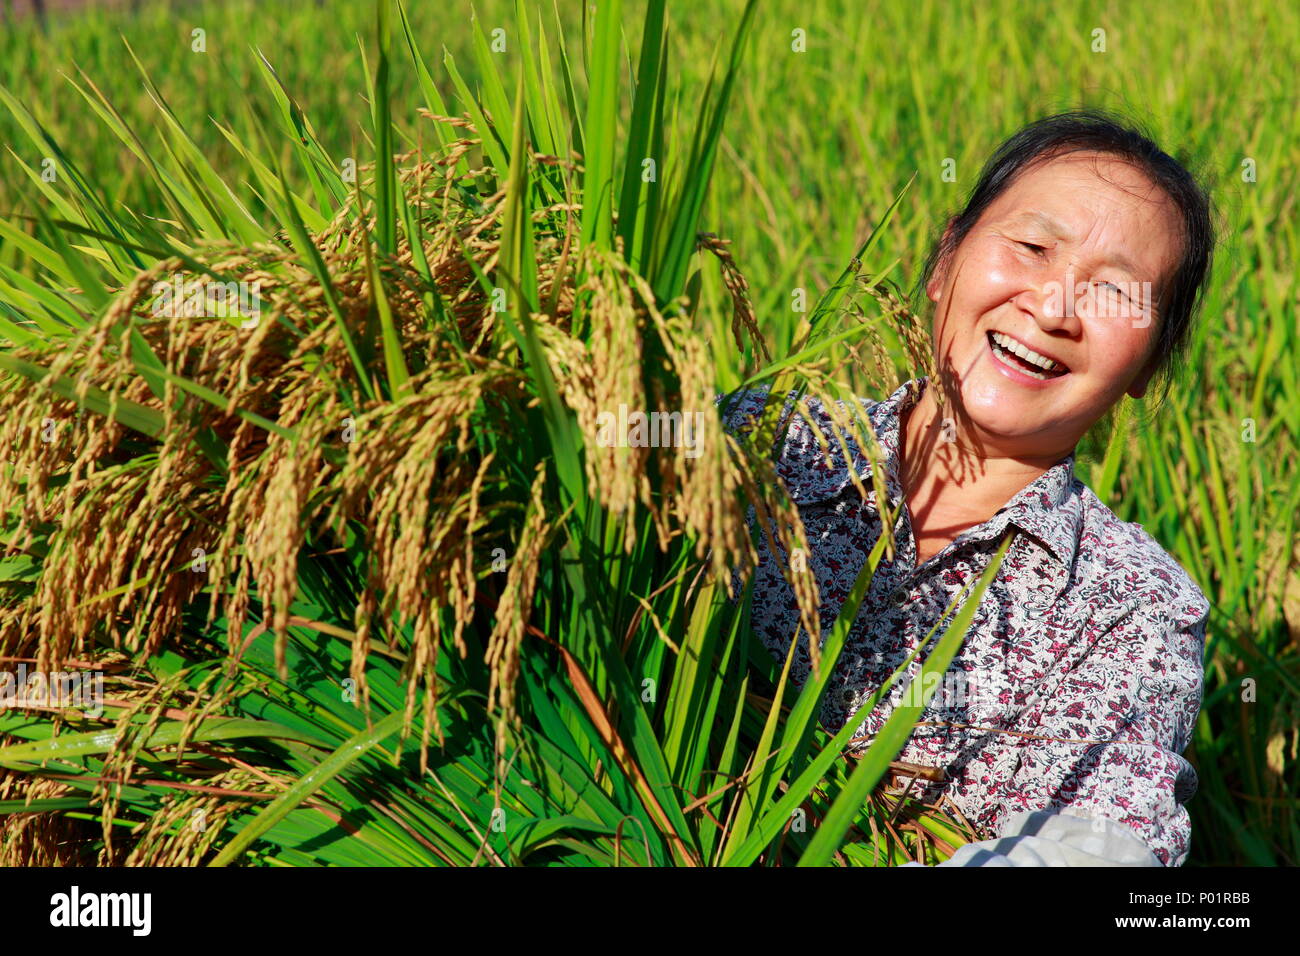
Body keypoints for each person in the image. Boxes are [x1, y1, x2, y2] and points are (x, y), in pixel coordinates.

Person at [723, 109, 1216, 866]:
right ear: (944, 259)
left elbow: (1101, 846)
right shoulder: (762, 442)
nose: (1053, 309)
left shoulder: (1132, 608)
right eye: (1031, 247)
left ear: (1149, 367)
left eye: (1115, 293)